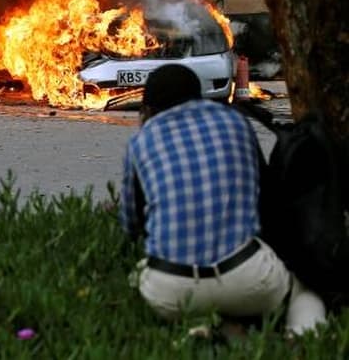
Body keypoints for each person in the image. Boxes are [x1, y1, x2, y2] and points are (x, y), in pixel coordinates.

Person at [120, 64, 326, 335]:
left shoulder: (140, 142)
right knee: (303, 291)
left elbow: (133, 226)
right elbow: (266, 200)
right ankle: (300, 336)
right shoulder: (235, 121)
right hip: (247, 277)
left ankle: (201, 329)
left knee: (140, 276)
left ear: (146, 111)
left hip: (172, 290)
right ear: (198, 98)